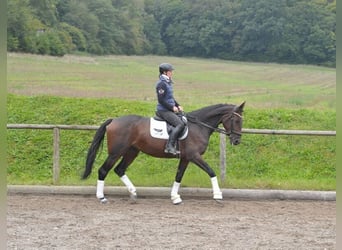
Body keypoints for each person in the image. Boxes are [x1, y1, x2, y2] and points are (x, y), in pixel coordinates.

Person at [155, 63, 185, 155]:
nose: (171, 73)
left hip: (169, 109)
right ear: (164, 72)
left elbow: (170, 98)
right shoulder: (161, 84)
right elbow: (161, 100)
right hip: (163, 111)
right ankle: (169, 146)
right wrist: (172, 107)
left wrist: (178, 105)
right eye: (170, 71)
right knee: (180, 124)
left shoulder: (168, 82)